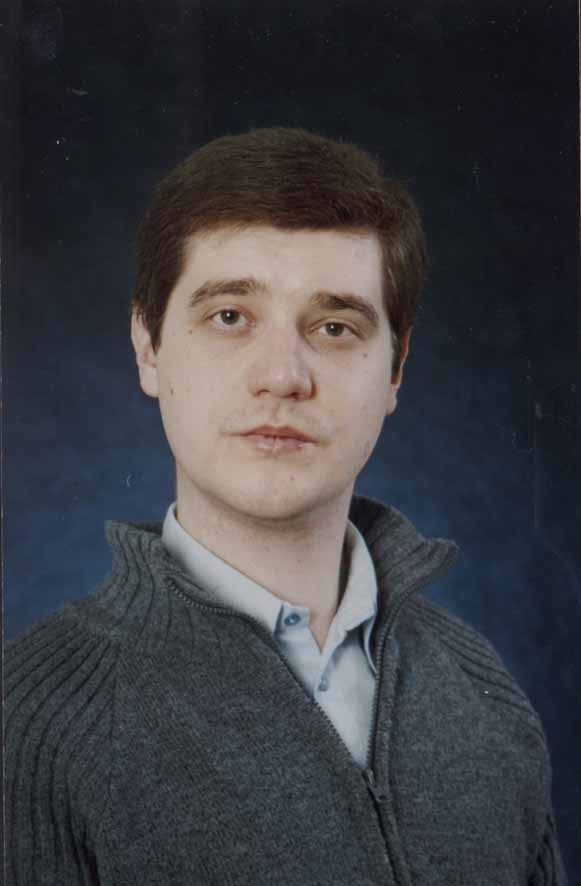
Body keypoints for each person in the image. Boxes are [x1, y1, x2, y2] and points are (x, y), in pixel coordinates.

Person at [5, 127, 565, 885]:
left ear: (395, 369)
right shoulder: (28, 724)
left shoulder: (482, 690)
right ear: (148, 346)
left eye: (334, 327)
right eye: (229, 316)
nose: (282, 376)